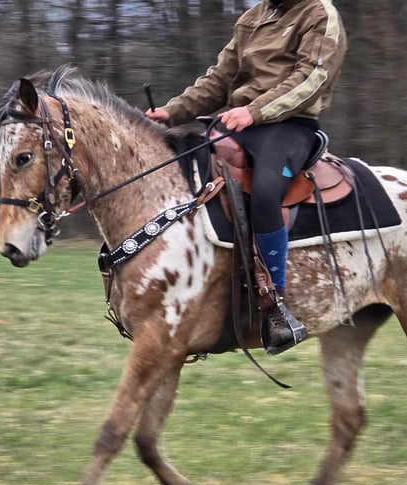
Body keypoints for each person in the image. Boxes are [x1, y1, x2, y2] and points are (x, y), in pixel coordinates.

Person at [146, 0, 347, 354]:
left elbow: (313, 77)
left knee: (267, 192)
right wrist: (172, 112)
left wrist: (255, 112)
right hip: (237, 123)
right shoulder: (253, 17)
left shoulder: (318, 13)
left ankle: (275, 307)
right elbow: (220, 79)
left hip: (289, 126)